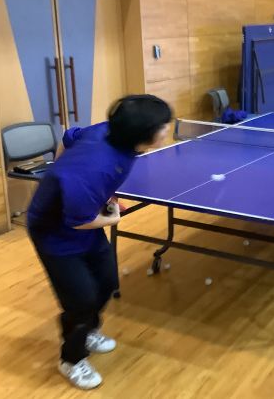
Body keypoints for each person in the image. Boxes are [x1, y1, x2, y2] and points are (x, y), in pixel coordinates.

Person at [27, 94, 172, 389]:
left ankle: (89, 329)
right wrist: (113, 218)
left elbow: (68, 138)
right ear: (143, 134)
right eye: (162, 126)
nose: (167, 128)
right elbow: (78, 220)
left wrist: (61, 175)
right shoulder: (96, 169)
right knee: (81, 301)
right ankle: (71, 359)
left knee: (106, 282)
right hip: (55, 232)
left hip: (83, 218)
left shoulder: (109, 131)